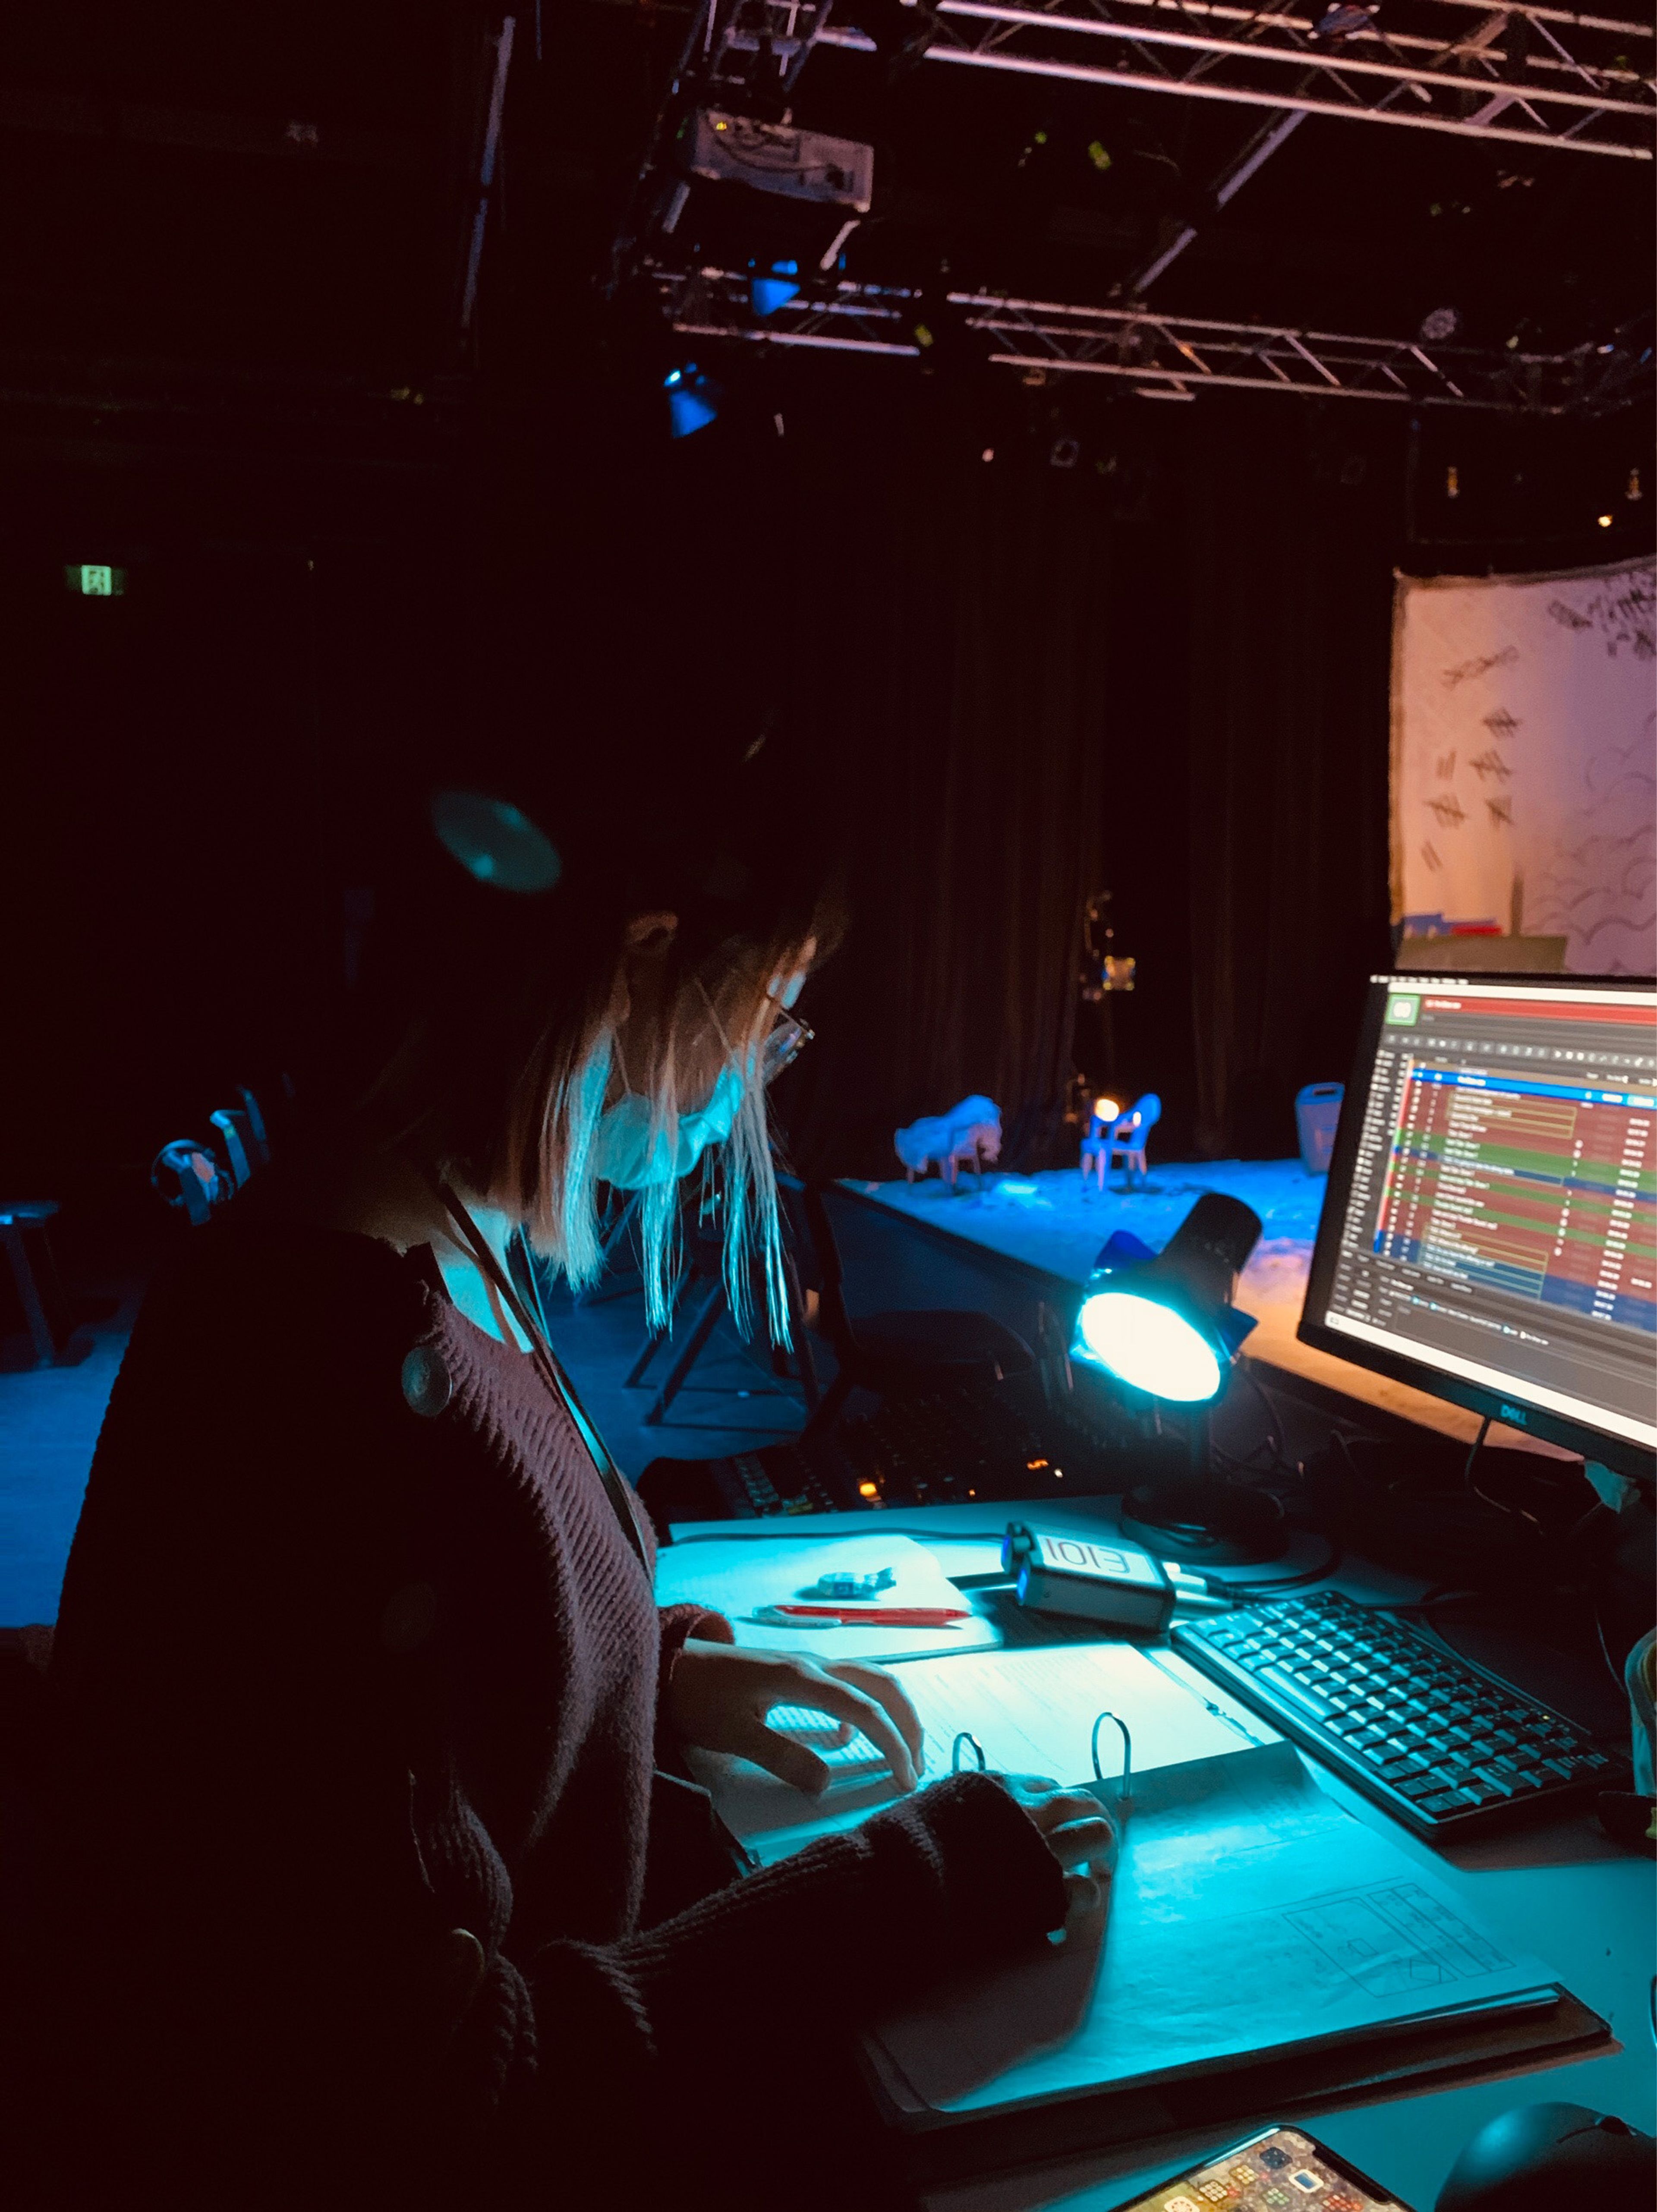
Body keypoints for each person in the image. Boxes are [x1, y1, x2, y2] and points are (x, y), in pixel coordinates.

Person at [39, 728, 1113, 2212]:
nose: (762, 1078)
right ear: (647, 961)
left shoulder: (438, 1239)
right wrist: (909, 1882)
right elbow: (444, 2098)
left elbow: (422, 1685)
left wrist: (648, 1681)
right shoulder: (320, 1368)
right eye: (771, 1021)